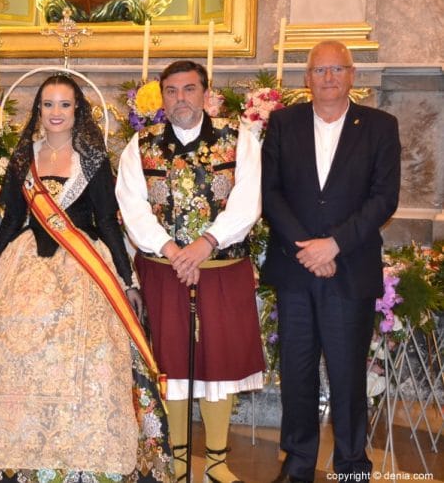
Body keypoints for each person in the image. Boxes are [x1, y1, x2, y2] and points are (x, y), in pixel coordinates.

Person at [0, 74, 173, 483]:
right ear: (37, 111)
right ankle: (19, 455)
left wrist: (126, 278)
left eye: (64, 104)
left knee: (92, 355)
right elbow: (11, 222)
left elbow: (108, 225)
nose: (55, 113)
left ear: (77, 110)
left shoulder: (92, 160)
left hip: (84, 263)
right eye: (47, 104)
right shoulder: (24, 159)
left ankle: (84, 457)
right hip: (25, 263)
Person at [116, 60, 265, 483]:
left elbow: (248, 200)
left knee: (221, 364)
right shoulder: (140, 145)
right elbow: (132, 205)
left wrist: (205, 244)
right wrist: (169, 248)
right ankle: (177, 462)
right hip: (164, 271)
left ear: (205, 92)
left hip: (221, 267)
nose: (180, 98)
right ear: (161, 97)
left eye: (189, 89)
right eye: (172, 91)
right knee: (170, 365)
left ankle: (217, 462)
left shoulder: (240, 141)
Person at [261, 40, 400, 483]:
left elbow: (384, 198)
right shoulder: (283, 123)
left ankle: (352, 466)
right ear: (307, 78)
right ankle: (298, 462)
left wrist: (334, 245)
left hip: (349, 268)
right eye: (320, 71)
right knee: (297, 373)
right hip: (296, 269)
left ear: (352, 75)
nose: (328, 78)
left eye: (337, 69)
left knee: (346, 376)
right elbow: (271, 193)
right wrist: (309, 248)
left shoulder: (379, 126)